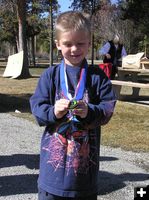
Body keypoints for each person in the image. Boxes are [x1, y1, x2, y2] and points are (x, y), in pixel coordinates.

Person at [30, 11, 116, 200]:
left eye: (80, 43)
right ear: (58, 45)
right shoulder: (50, 76)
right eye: (68, 44)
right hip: (52, 177)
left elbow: (108, 109)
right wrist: (53, 111)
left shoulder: (97, 77)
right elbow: (37, 108)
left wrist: (89, 111)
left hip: (84, 178)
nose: (74, 49)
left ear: (89, 44)